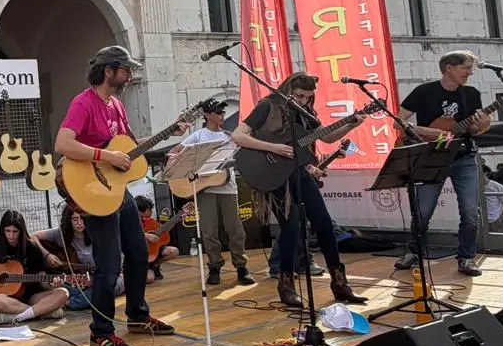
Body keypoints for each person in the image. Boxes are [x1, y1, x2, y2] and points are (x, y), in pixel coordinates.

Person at [52, 45, 181, 346]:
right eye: (125, 70)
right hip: (93, 194)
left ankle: (137, 315)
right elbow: (63, 143)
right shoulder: (84, 103)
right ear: (108, 71)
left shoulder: (117, 107)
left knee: (138, 253)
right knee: (109, 266)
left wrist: (171, 137)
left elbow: (130, 151)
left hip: (116, 191)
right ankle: (101, 331)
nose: (130, 75)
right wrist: (106, 154)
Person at [231, 72, 366, 309]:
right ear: (288, 89)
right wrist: (275, 147)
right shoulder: (268, 105)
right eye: (299, 96)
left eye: (307, 97)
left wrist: (349, 124)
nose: (303, 101)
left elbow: (327, 137)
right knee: (291, 228)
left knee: (324, 224)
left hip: (300, 171)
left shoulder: (306, 114)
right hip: (275, 175)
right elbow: (238, 135)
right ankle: (286, 285)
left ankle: (339, 283)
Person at [396, 51, 491, 277]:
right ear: (449, 67)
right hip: (432, 157)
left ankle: (466, 258)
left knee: (470, 211)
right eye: (466, 67)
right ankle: (413, 251)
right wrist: (427, 131)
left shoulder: (471, 94)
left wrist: (484, 126)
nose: (470, 72)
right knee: (422, 211)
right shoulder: (424, 91)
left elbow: (474, 129)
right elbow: (398, 121)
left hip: (464, 157)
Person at [169, 101, 254, 286]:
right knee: (209, 231)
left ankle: (241, 267)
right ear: (207, 115)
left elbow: (238, 158)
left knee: (235, 230)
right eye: (217, 112)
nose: (222, 115)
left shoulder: (229, 136)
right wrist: (188, 166)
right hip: (204, 187)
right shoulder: (198, 136)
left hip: (228, 187)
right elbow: (174, 152)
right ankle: (214, 266)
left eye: (223, 112)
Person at [0, 210, 70, 323]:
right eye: (7, 231)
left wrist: (52, 285)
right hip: (8, 299)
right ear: (2, 230)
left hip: (32, 297)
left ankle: (20, 316)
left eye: (15, 231)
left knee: (63, 292)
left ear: (21, 231)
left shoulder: (32, 248)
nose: (11, 235)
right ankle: (39, 312)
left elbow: (42, 280)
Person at [35, 205, 105, 310]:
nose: (79, 222)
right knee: (63, 287)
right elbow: (32, 237)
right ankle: (78, 298)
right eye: (74, 219)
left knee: (105, 288)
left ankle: (67, 302)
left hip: (102, 279)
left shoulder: (97, 235)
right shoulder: (60, 234)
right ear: (69, 221)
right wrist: (47, 255)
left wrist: (95, 280)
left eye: (82, 218)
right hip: (79, 283)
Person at [135, 195, 179, 282]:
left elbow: (164, 235)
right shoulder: (129, 221)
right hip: (139, 255)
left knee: (174, 251)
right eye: (149, 210)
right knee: (149, 279)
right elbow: (129, 233)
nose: (151, 212)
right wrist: (147, 236)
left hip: (153, 252)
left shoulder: (150, 221)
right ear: (140, 212)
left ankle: (155, 265)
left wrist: (178, 219)